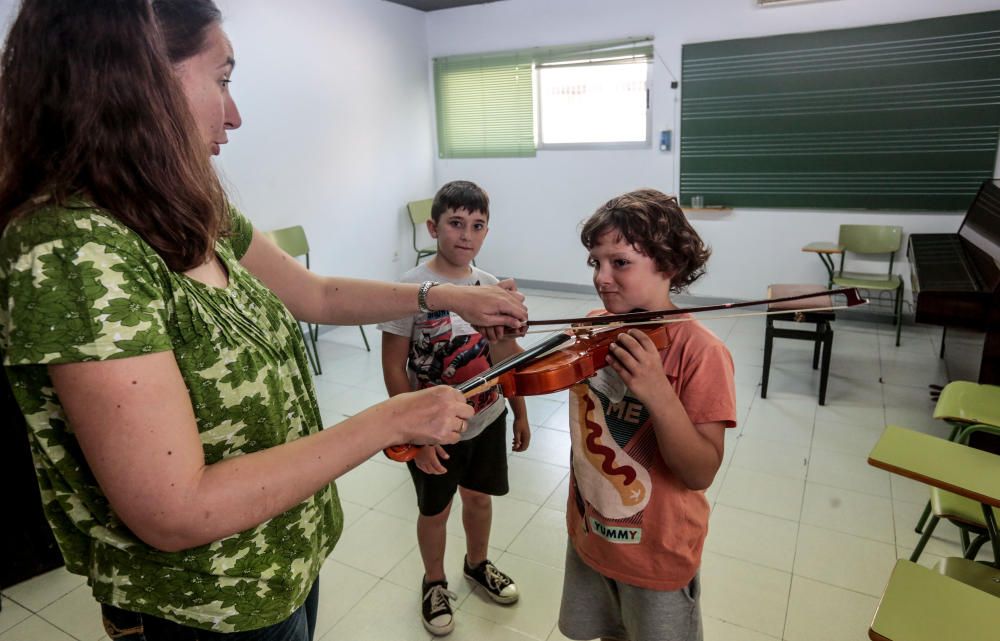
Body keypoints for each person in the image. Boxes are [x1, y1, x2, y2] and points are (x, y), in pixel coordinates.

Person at [0, 2, 526, 640]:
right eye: (221, 79)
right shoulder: (74, 250)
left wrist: (443, 296)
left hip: (281, 565)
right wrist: (392, 416)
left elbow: (317, 294)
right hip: (211, 603)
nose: (235, 113)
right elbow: (176, 508)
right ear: (136, 78)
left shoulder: (185, 200)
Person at [557, 189, 736, 641]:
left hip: (657, 554)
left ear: (668, 265)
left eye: (620, 263)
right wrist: (504, 341)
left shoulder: (702, 353)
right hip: (590, 535)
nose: (602, 277)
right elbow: (539, 375)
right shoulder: (597, 327)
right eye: (595, 262)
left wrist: (658, 392)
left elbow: (699, 471)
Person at [379, 180, 530, 636]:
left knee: (479, 499)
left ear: (487, 232)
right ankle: (434, 581)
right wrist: (416, 436)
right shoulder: (410, 287)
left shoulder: (490, 287)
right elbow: (393, 367)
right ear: (433, 226)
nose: (466, 235)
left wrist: (519, 412)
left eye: (477, 226)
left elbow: (508, 359)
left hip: (487, 417)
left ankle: (477, 564)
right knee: (435, 512)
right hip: (433, 431)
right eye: (456, 223)